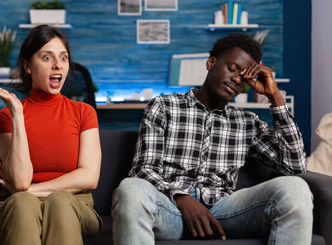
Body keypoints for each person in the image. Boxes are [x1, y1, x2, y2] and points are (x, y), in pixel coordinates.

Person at [112, 33, 313, 245]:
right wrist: (182, 197)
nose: (237, 80)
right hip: (171, 210)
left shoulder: (247, 122)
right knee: (131, 188)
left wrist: (275, 98)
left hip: (225, 212)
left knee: (295, 188)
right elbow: (143, 170)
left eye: (244, 78)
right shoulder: (163, 107)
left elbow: (294, 167)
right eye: (232, 68)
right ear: (211, 63)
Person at [0, 25, 102, 245]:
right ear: (27, 66)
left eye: (63, 58)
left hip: (75, 204)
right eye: (46, 57)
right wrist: (17, 116)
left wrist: (31, 190)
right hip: (12, 205)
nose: (58, 65)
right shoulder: (4, 117)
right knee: (24, 203)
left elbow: (89, 177)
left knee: (59, 201)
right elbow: (18, 182)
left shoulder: (84, 112)